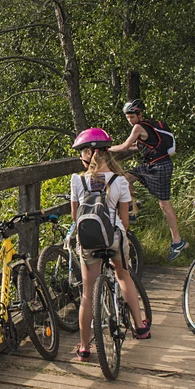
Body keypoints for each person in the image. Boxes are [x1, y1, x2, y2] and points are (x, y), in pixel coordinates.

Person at [70, 128, 151, 362]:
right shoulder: (119, 181)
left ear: (87, 153)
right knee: (123, 276)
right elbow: (124, 222)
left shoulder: (78, 180)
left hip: (88, 241)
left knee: (87, 294)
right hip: (114, 238)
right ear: (107, 153)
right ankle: (139, 325)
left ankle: (85, 347)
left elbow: (75, 217)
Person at [109, 99, 188, 261]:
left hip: (157, 166)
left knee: (163, 204)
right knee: (126, 178)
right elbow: (143, 146)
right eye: (128, 117)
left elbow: (124, 147)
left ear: (140, 115)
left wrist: (105, 148)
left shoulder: (139, 127)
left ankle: (176, 240)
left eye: (132, 117)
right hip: (160, 164)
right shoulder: (150, 125)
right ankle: (131, 209)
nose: (130, 121)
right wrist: (132, 147)